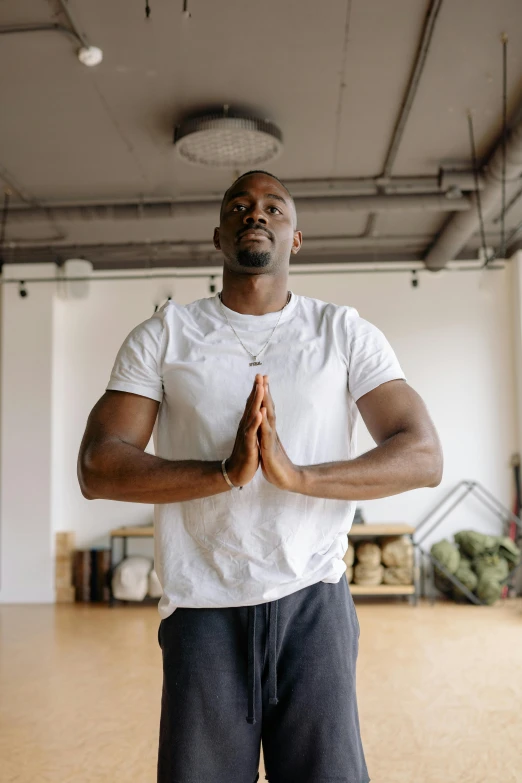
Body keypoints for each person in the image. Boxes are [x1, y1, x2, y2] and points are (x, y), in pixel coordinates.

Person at [78, 170, 443, 783]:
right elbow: (98, 464)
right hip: (202, 608)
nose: (257, 214)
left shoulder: (342, 332)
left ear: (295, 237)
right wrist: (224, 472)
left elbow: (423, 455)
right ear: (219, 233)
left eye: (275, 208)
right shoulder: (165, 334)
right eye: (241, 207)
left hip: (314, 604)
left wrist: (296, 475)